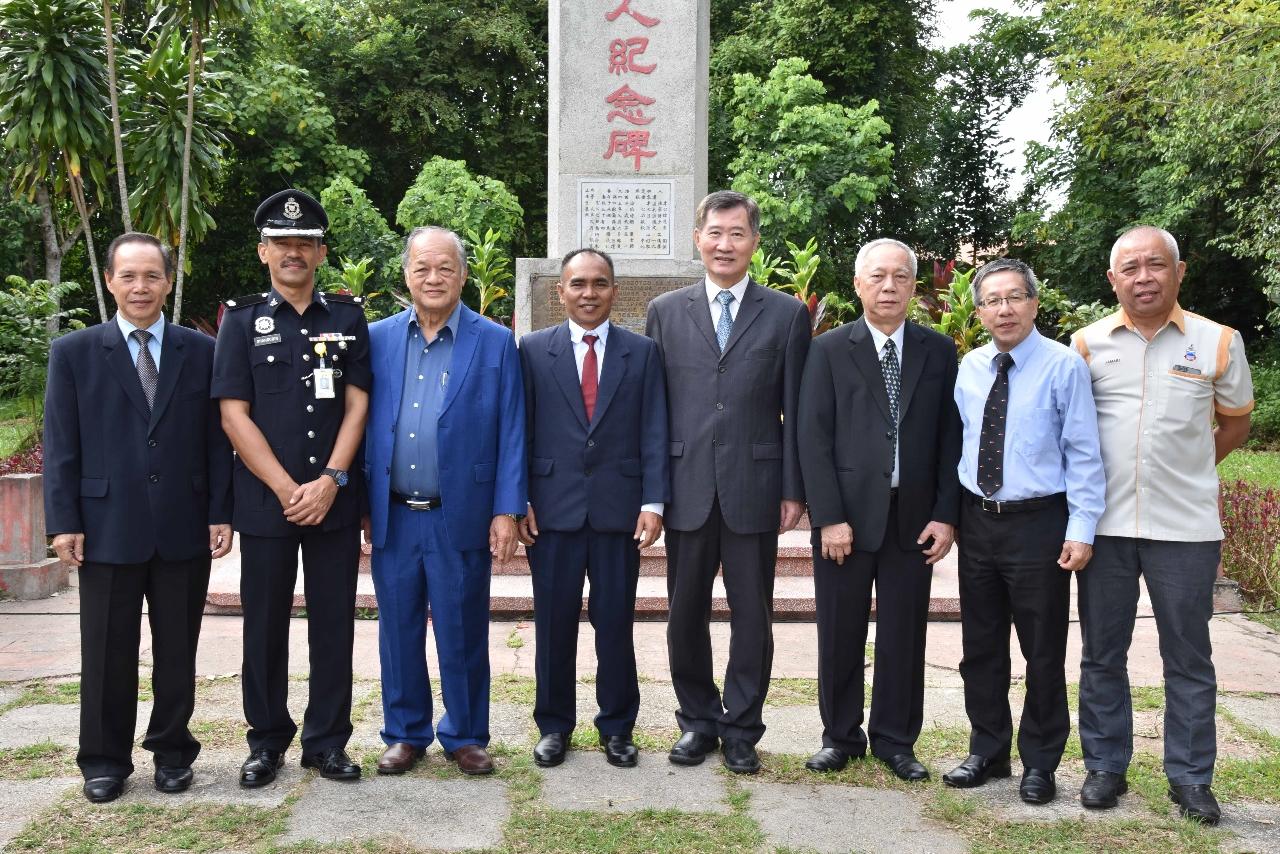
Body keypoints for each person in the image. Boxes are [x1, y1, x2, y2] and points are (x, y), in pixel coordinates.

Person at [1071, 226, 1253, 824]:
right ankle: (1104, 766)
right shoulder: (1088, 344)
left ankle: (1192, 778)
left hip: (1187, 528)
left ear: (1179, 273)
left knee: (1189, 657)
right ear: (1113, 279)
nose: (1143, 276)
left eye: (1155, 265)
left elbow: (1233, 426)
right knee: (1102, 653)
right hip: (1106, 528)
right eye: (1130, 267)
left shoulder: (1218, 342)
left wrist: (1188, 470)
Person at [44, 232, 233, 803]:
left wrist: (219, 510)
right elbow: (61, 445)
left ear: (169, 282)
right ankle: (103, 759)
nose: (140, 287)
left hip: (183, 522)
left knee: (178, 648)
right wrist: (62, 521)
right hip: (104, 526)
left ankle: (173, 752)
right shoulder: (75, 352)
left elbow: (217, 439)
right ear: (109, 282)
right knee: (106, 650)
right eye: (128, 276)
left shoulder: (199, 350)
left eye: (152, 276)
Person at [645, 190, 810, 774]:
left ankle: (741, 727)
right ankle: (697, 721)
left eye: (737, 233)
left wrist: (794, 488)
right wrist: (652, 492)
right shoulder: (666, 311)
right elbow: (654, 409)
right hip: (685, 483)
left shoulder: (787, 314)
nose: (725, 244)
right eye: (715, 233)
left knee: (752, 615)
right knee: (684, 612)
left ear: (754, 242)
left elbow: (797, 409)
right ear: (698, 239)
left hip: (755, 485)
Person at [212, 189, 371, 787]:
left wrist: (329, 481)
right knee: (265, 625)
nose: (293, 253)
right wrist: (286, 488)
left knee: (335, 623)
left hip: (332, 502)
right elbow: (233, 414)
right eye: (282, 243)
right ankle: (267, 740)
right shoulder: (242, 320)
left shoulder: (347, 318)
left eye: (304, 243)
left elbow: (358, 404)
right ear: (263, 252)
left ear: (321, 253)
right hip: (266, 503)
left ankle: (327, 741)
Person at [363, 226, 526, 776]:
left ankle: (465, 734)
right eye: (422, 268)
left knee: (462, 628)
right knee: (398, 629)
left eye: (445, 269)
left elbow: (512, 428)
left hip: (460, 513)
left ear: (463, 274)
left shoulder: (495, 340)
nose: (433, 279)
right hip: (392, 513)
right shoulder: (377, 338)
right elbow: (358, 422)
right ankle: (405, 732)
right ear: (406, 274)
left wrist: (507, 508)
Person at [797, 238, 961, 782]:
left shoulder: (937, 351)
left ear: (915, 286)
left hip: (913, 519)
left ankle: (895, 740)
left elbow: (947, 440)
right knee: (839, 631)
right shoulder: (827, 350)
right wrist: (828, 516)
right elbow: (812, 438)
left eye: (900, 277)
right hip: (846, 519)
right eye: (877, 276)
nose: (888, 286)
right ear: (858, 284)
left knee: (903, 633)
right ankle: (839, 736)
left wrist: (945, 513)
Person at [942, 258, 1104, 804]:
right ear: (979, 310)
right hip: (978, 524)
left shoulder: (1063, 366)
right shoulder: (969, 367)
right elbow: (957, 446)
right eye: (991, 300)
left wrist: (1081, 529)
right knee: (980, 646)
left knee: (1042, 649)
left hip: (1039, 524)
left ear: (1034, 303)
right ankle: (987, 750)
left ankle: (1040, 762)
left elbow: (1083, 453)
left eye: (1014, 298)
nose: (1003, 309)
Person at [517, 248, 668, 769]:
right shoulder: (533, 350)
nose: (588, 293)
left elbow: (654, 428)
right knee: (553, 625)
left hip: (618, 513)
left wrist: (653, 502)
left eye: (599, 284)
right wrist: (521, 500)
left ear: (614, 291)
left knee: (615, 624)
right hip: (552, 514)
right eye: (577, 284)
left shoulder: (642, 352)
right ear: (560, 292)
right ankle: (554, 726)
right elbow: (521, 431)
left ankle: (618, 727)